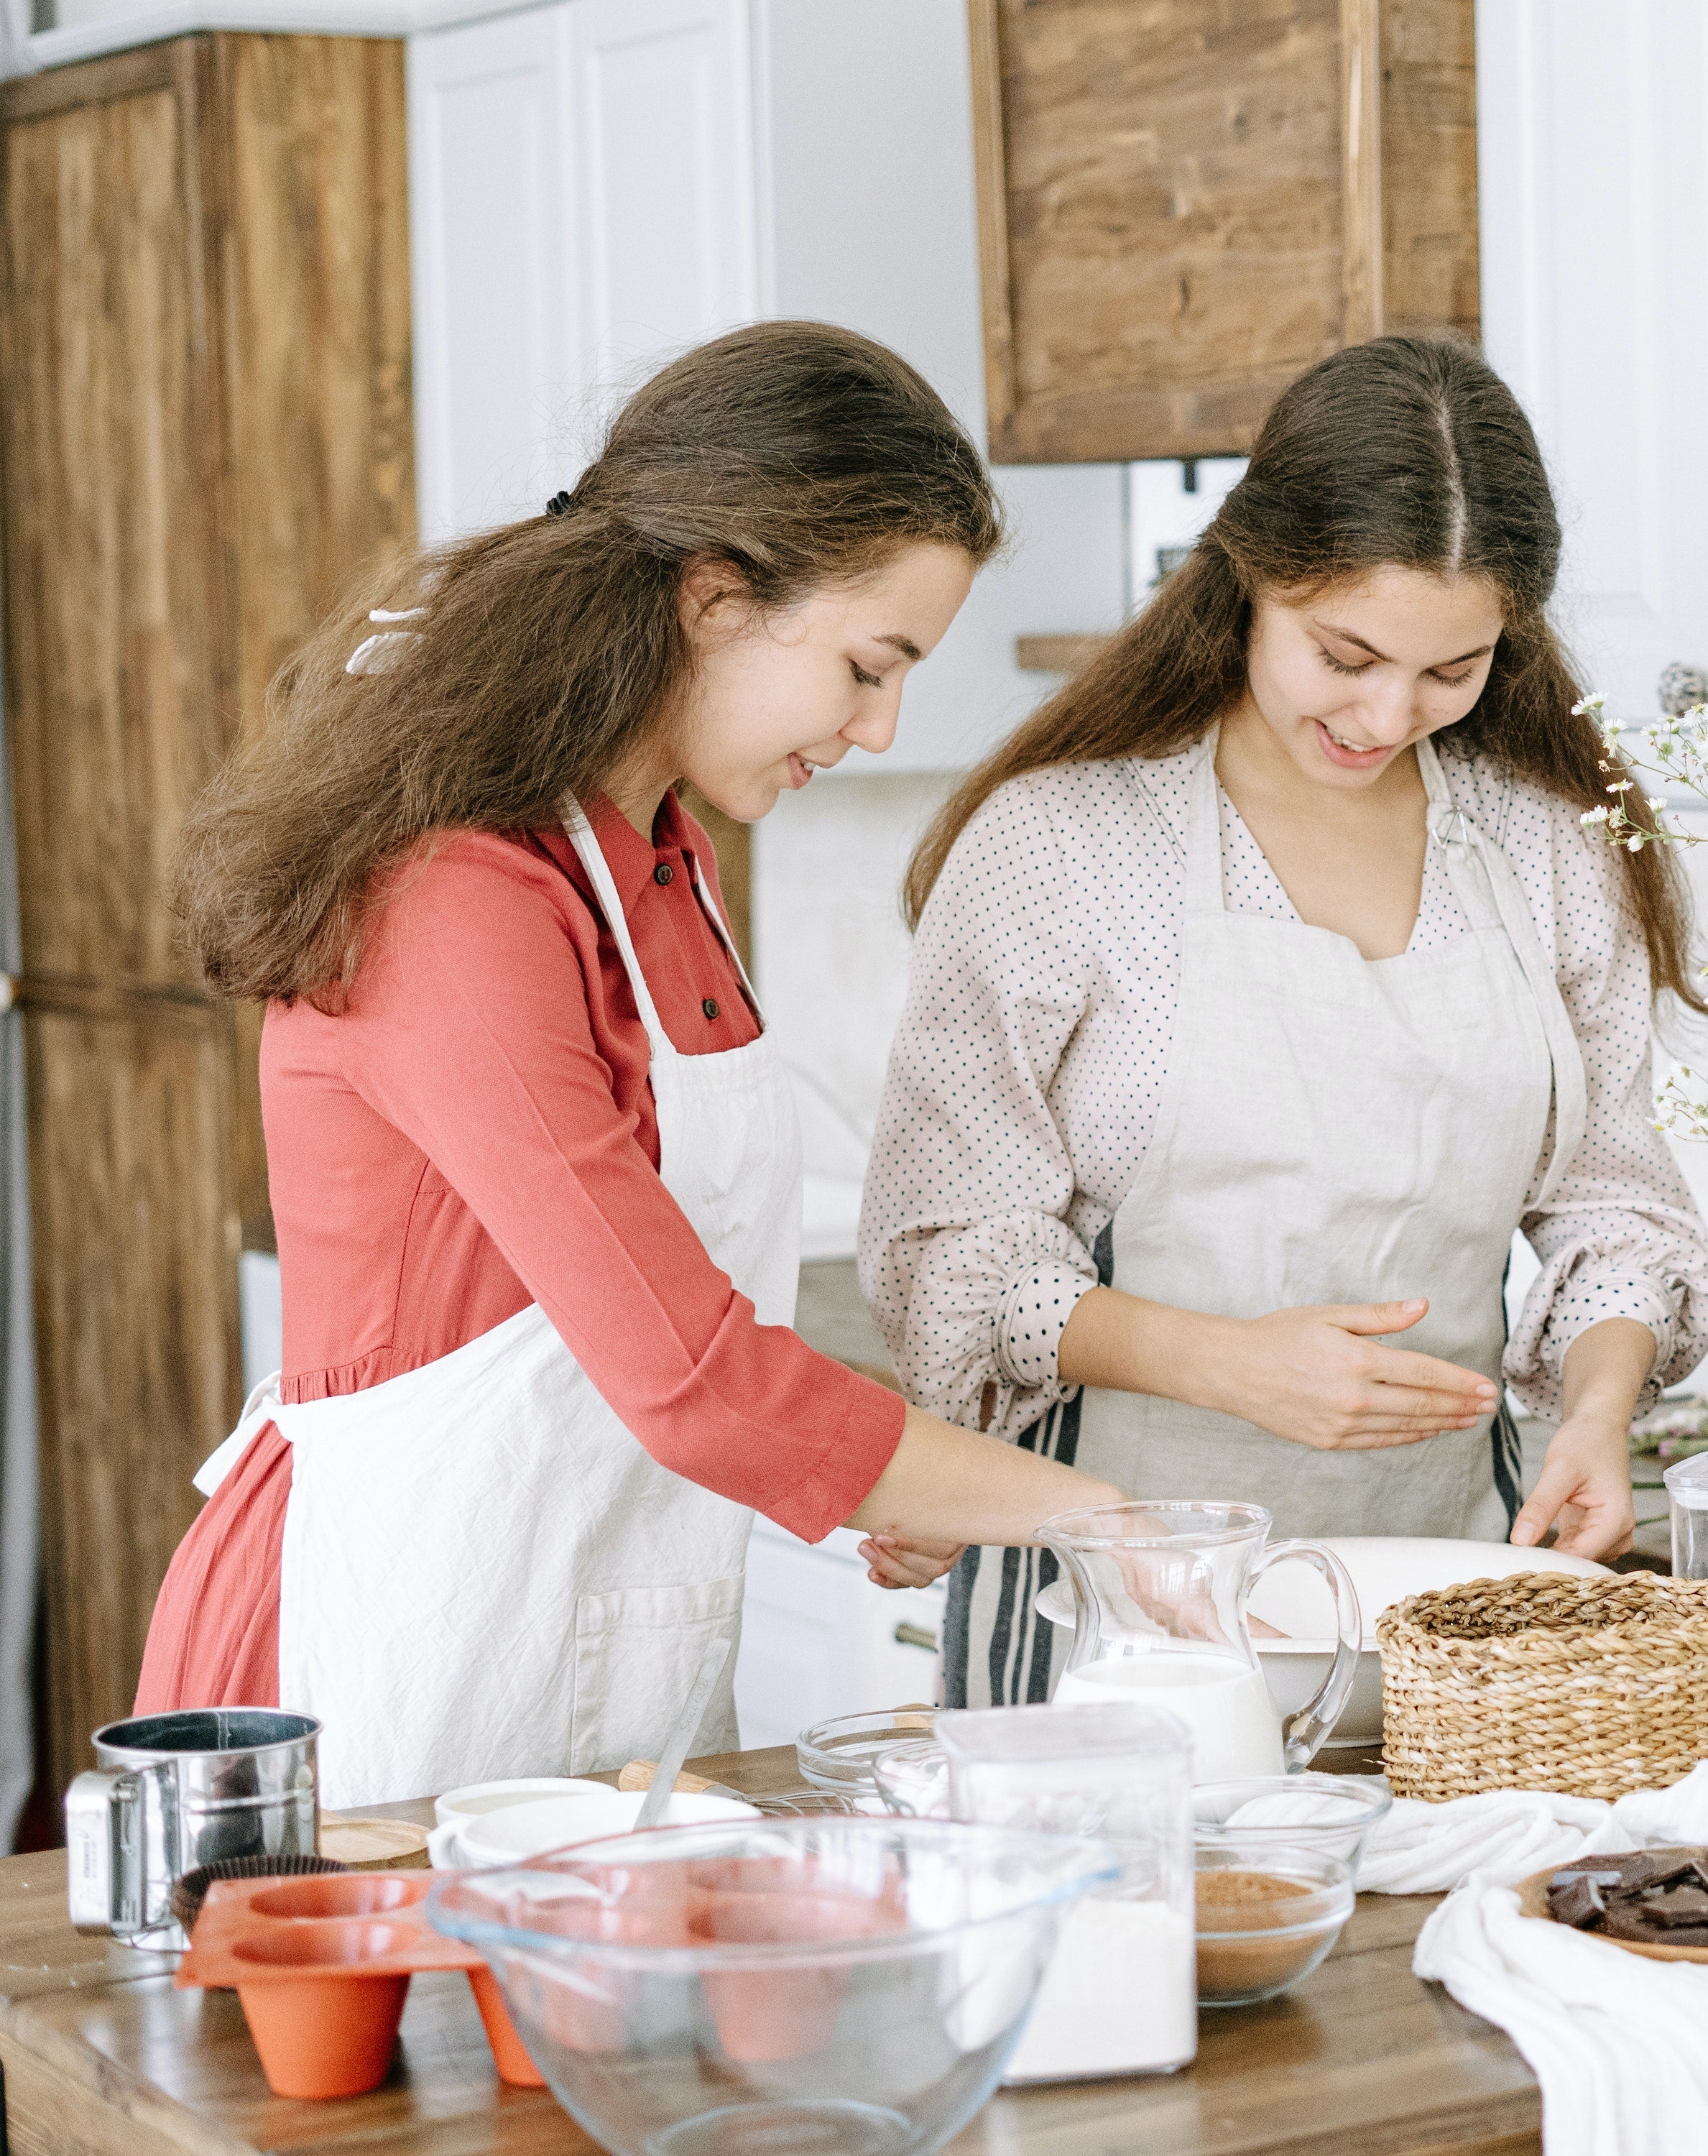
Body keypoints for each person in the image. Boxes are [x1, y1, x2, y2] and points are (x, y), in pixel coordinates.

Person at [137, 321, 1117, 1807]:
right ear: (717, 600)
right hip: (380, 1668)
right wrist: (1112, 1522)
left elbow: (645, 1304)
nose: (880, 727)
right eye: (866, 664)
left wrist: (878, 1473)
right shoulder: (456, 897)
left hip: (596, 1670)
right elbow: (695, 1385)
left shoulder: (659, 858)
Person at [863, 335, 1708, 1708]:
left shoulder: (1546, 851)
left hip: (1453, 1609)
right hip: (1107, 1616)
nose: (1389, 715)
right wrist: (1227, 1367)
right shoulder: (1064, 846)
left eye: (1455, 671)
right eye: (1347, 654)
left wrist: (1604, 1413)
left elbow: (1614, 1210)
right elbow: (950, 1257)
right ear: (1254, 573)